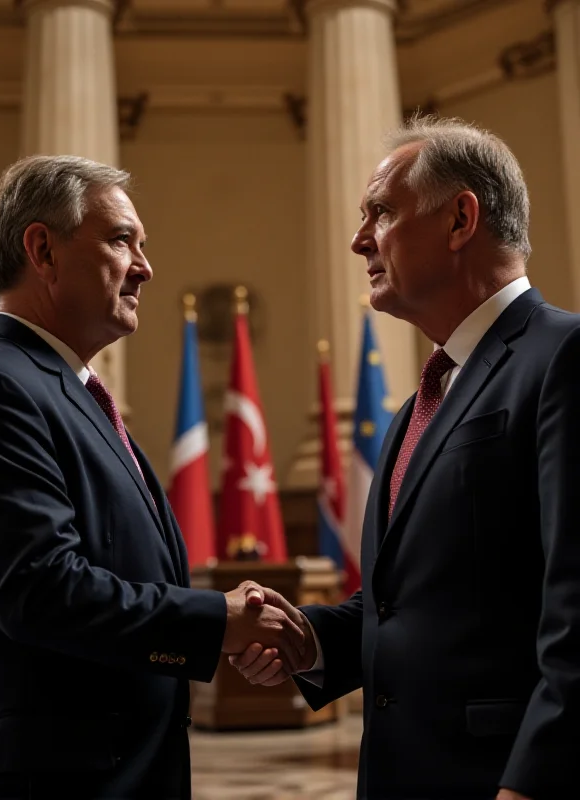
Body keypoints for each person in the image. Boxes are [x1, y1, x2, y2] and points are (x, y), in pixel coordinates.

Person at [230, 116, 580, 800]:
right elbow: (410, 600)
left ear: (460, 219)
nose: (359, 239)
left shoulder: (563, 356)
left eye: (381, 212)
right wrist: (312, 641)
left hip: (503, 778)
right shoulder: (423, 398)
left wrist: (534, 781)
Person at [0, 155, 305, 800]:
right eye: (120, 239)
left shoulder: (69, 388)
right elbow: (39, 589)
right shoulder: (2, 384)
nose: (145, 266)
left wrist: (219, 621)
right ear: (42, 249)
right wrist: (217, 619)